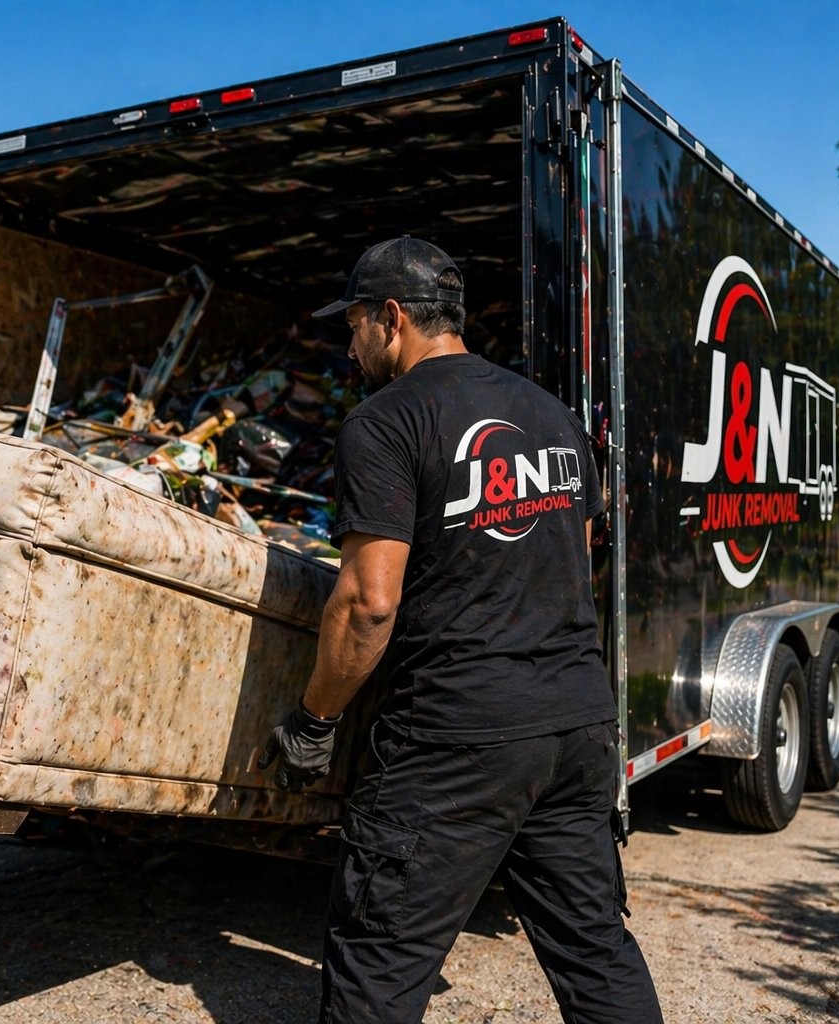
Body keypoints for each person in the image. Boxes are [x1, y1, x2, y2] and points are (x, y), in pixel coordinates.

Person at [258, 238, 663, 1023]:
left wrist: (315, 720)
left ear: (393, 318)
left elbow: (368, 603)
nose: (349, 343)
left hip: (455, 739)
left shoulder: (385, 423)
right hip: (576, 729)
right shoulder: (554, 416)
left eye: (354, 324)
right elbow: (577, 556)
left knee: (379, 958)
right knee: (594, 949)